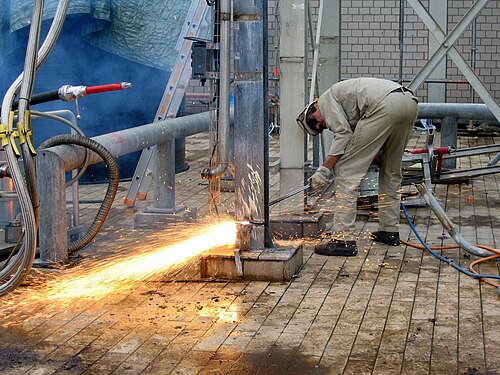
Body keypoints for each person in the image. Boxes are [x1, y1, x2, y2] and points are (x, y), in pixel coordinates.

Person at [296, 77, 418, 256]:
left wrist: (324, 170)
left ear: (314, 108)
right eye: (317, 128)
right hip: (409, 103)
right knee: (390, 170)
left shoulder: (325, 100)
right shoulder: (343, 103)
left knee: (345, 171)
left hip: (384, 105)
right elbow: (364, 133)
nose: (319, 125)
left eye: (314, 121)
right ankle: (389, 230)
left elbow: (344, 134)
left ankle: (343, 239)